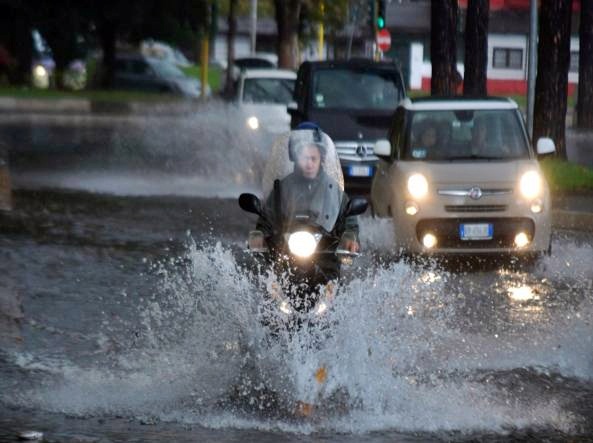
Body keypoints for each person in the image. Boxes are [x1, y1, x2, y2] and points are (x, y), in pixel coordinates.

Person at [254, 122, 360, 253]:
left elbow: (348, 218)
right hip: (286, 250)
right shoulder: (282, 188)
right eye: (304, 158)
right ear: (295, 157)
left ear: (321, 158)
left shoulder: (332, 189)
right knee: (268, 268)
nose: (309, 163)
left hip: (325, 252)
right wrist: (259, 234)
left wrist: (349, 236)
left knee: (335, 268)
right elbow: (267, 218)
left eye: (313, 158)